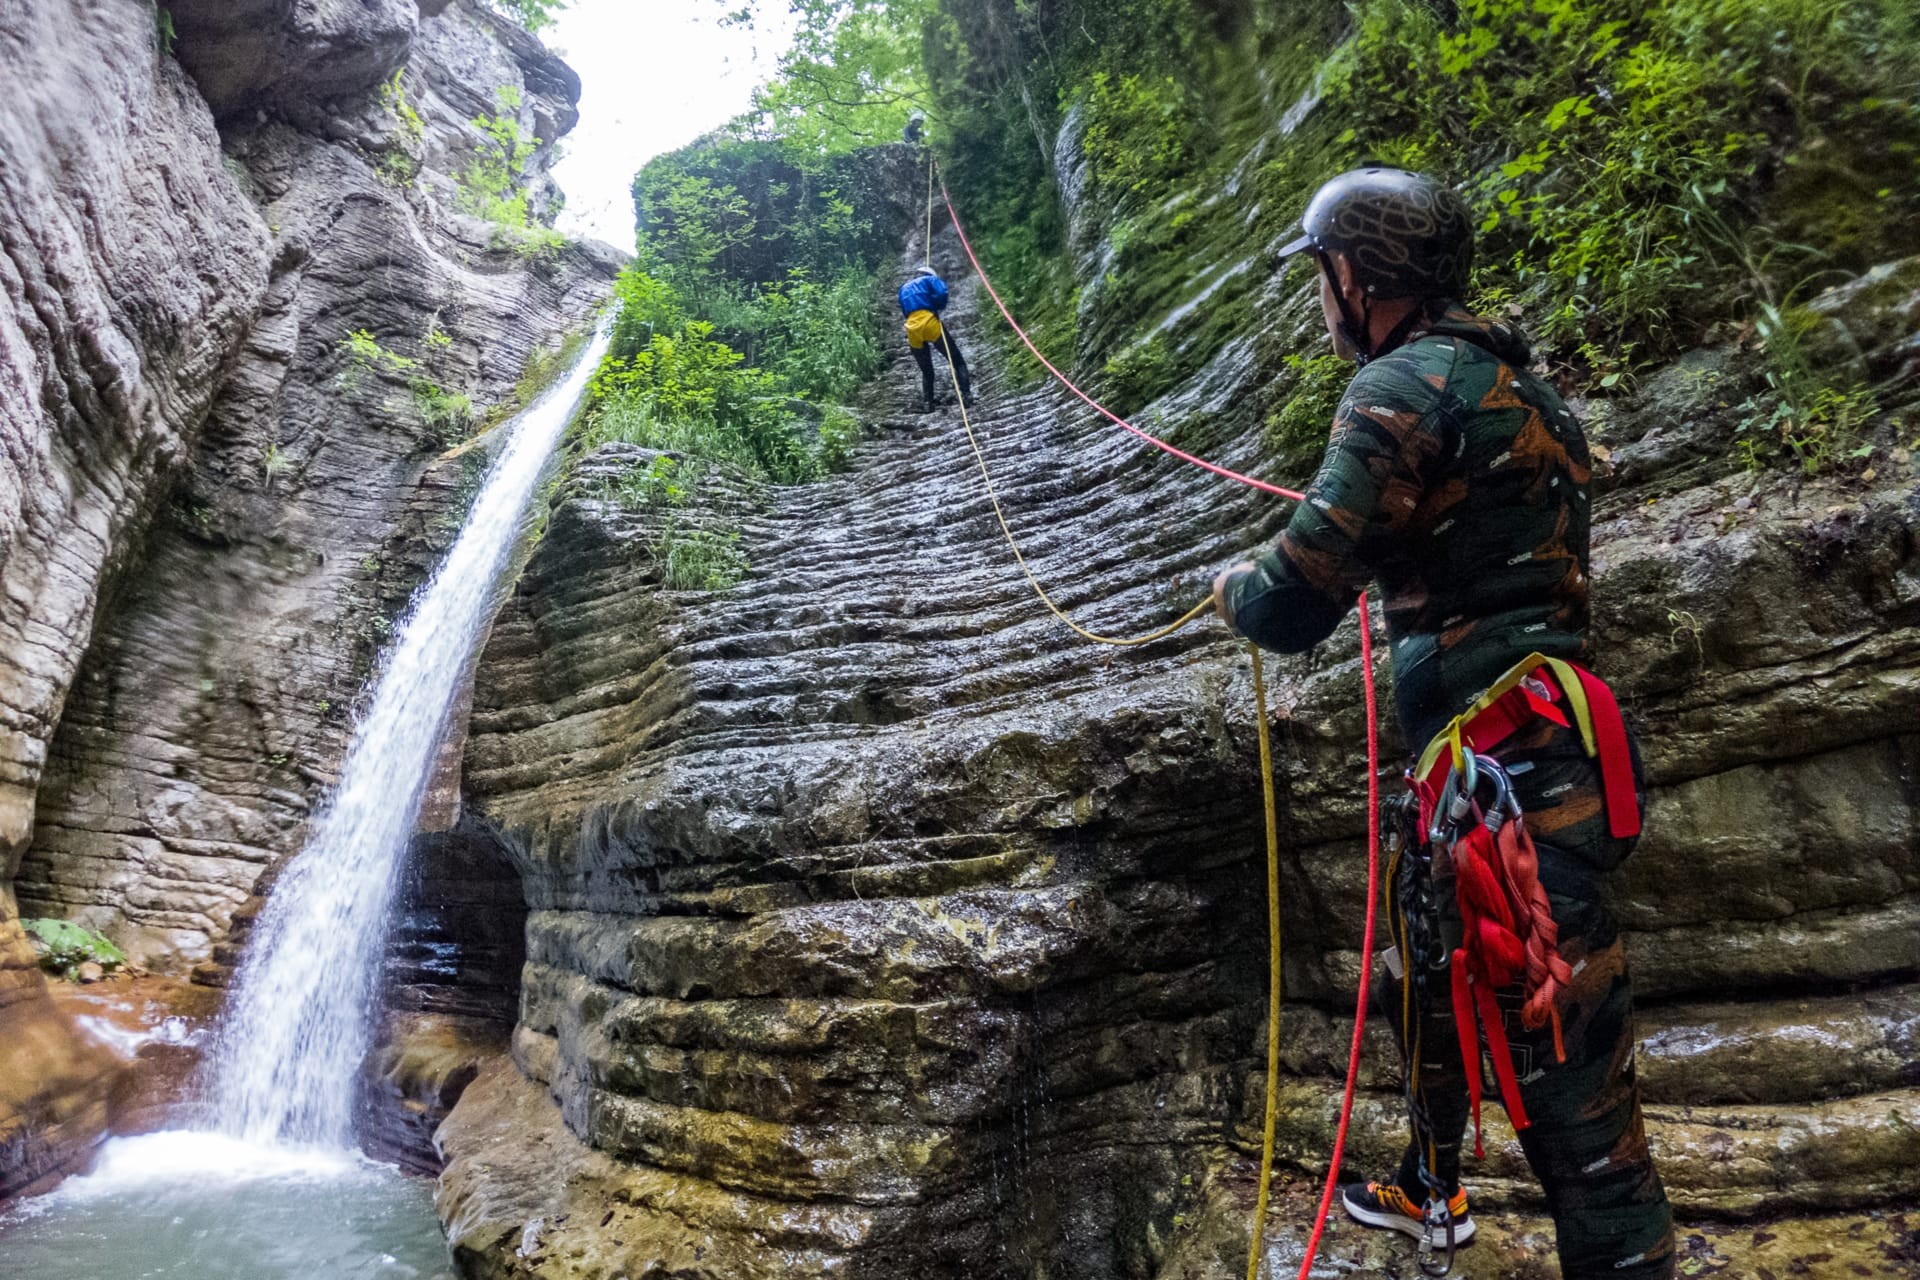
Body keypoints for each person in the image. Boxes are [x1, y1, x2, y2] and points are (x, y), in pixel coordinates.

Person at [1212, 167, 1674, 1280]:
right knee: (1427, 981)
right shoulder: (1528, 389)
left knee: (1575, 1101)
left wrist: (1232, 587)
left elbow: (1291, 601)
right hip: (1503, 768)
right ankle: (1431, 1177)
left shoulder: (1400, 388)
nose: (1320, 297)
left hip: (1510, 791)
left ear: (1360, 274)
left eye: (1324, 273)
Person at [899, 267, 976, 414]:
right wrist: (936, 306)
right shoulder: (929, 279)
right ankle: (966, 396)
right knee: (957, 361)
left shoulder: (903, 289)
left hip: (912, 329)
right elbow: (941, 293)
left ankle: (928, 403)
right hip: (930, 323)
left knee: (926, 371)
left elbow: (905, 311)